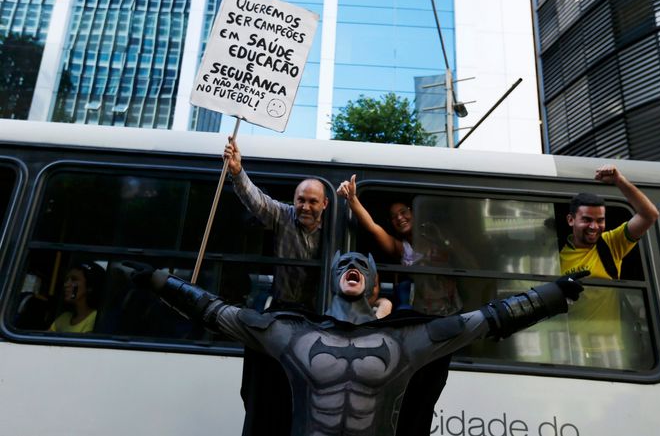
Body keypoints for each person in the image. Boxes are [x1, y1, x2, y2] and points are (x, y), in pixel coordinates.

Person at [124, 254, 586, 436]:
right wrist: (160, 281)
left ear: (372, 281)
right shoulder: (290, 334)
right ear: (332, 279)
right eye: (342, 261)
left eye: (360, 263)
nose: (350, 264)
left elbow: (487, 320)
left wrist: (552, 295)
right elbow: (216, 313)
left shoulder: (408, 339)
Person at [337, 173, 473, 435]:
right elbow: (374, 228)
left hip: (445, 323)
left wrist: (443, 242)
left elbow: (467, 263)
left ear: (415, 212)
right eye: (394, 216)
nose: (399, 217)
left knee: (432, 389)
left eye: (404, 212)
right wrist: (353, 200)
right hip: (419, 327)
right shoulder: (403, 250)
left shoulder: (441, 241)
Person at [560, 164, 659, 367]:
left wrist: (619, 181)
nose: (594, 227)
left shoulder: (611, 244)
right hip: (573, 349)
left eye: (600, 220)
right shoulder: (556, 255)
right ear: (571, 220)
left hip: (612, 350)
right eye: (587, 220)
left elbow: (650, 215)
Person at [224, 137, 328, 310]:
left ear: (324, 204)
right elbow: (257, 201)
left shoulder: (333, 229)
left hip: (317, 310)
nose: (305, 207)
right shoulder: (284, 215)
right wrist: (237, 172)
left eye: (313, 201)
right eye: (301, 200)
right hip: (282, 307)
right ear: (293, 200)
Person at [49, 261, 105, 333]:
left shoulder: (95, 319)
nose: (66, 285)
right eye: (67, 280)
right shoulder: (64, 318)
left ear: (89, 287)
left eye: (74, 279)